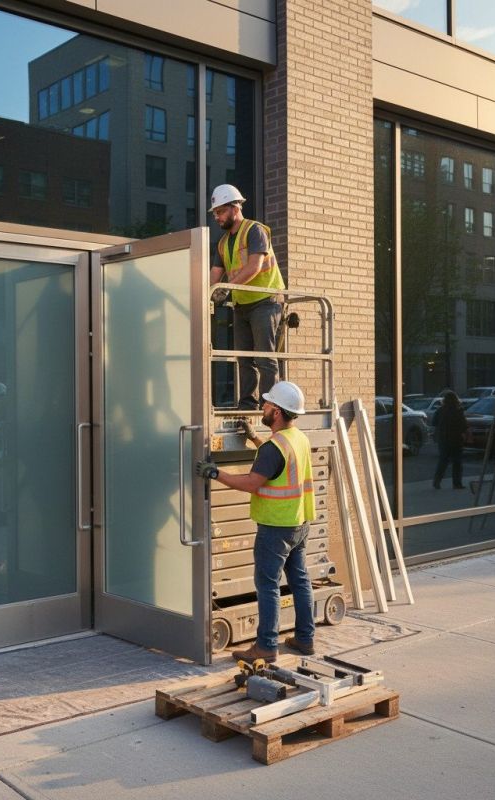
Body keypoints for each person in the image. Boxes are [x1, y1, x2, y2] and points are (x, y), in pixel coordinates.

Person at [196, 380, 316, 662]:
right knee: (299, 580)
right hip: (299, 523)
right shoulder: (297, 438)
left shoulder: (274, 448)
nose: (262, 407)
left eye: (267, 404)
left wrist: (216, 474)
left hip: (276, 528)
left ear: (276, 411)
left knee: (267, 585)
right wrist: (254, 439)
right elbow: (277, 463)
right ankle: (305, 638)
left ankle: (266, 646)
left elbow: (253, 482)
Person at [208, 184, 285, 410]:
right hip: (242, 305)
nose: (217, 217)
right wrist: (206, 294)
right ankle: (247, 405)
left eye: (220, 211)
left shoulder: (255, 230)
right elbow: (214, 276)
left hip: (266, 301)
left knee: (265, 358)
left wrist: (226, 288)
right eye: (215, 213)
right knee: (244, 358)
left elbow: (254, 266)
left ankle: (269, 406)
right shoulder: (222, 243)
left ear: (235, 207)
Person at [432, 389, 467, 490]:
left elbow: (434, 423)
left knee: (443, 461)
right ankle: (457, 484)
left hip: (443, 439)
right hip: (456, 439)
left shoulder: (439, 410)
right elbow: (463, 425)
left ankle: (437, 481)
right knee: (457, 462)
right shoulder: (458, 411)